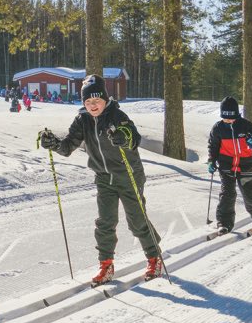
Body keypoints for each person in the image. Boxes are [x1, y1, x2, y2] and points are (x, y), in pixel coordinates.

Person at [39, 74, 162, 285]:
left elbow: (133, 137)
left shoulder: (116, 116)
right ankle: (106, 264)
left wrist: (124, 137)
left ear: (105, 99)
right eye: (88, 101)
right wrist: (53, 144)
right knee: (105, 222)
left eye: (96, 101)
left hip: (128, 175)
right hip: (104, 178)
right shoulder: (82, 120)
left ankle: (154, 257)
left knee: (136, 220)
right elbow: (68, 147)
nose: (92, 105)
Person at [208, 97, 252, 235]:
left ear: (236, 114)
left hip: (246, 165)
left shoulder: (246, 126)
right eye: (225, 118)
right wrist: (211, 160)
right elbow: (213, 146)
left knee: (248, 192)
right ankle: (224, 223)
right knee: (227, 193)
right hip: (226, 165)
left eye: (231, 118)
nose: (228, 120)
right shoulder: (218, 128)